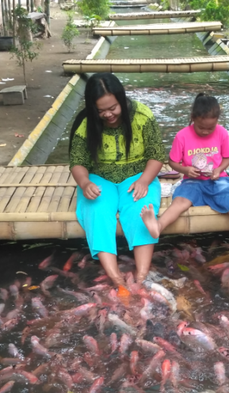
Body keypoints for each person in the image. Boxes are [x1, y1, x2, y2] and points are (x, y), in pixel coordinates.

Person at [69, 73, 164, 287]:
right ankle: (117, 279)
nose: (108, 115)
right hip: (99, 178)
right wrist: (85, 183)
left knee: (141, 208)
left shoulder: (142, 115)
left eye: (112, 108)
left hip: (138, 175)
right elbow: (77, 162)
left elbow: (157, 155)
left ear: (121, 99)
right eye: (101, 111)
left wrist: (144, 181)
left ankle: (141, 278)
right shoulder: (85, 123)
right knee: (97, 210)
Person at [141, 93, 229, 239]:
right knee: (181, 200)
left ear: (217, 122)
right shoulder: (182, 136)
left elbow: (227, 157)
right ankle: (158, 226)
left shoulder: (222, 133)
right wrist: (185, 170)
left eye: (211, 128)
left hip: (217, 180)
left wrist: (219, 169)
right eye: (201, 127)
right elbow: (172, 162)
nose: (206, 131)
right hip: (192, 181)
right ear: (193, 118)